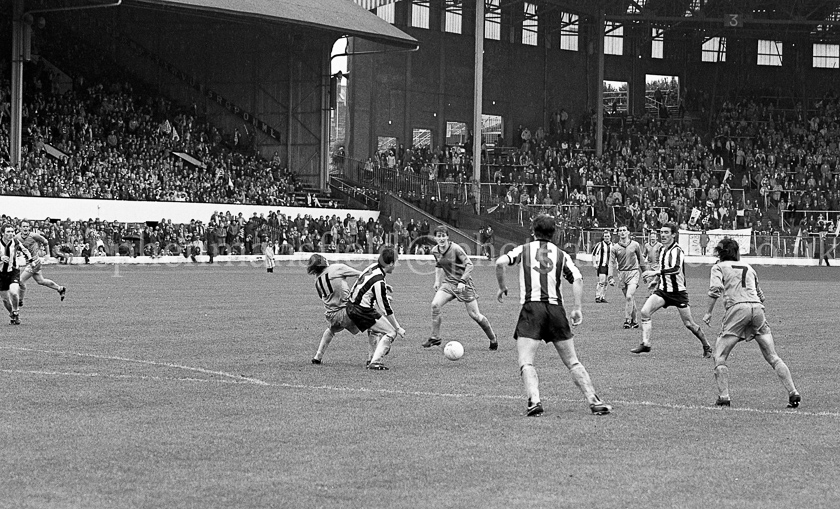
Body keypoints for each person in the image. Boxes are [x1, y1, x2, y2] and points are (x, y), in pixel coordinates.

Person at [495, 214, 612, 417]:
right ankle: (594, 400)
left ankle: (534, 401)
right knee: (572, 361)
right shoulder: (561, 254)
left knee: (526, 361)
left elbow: (500, 262)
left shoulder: (524, 250)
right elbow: (577, 278)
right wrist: (577, 307)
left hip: (532, 309)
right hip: (556, 310)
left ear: (533, 231)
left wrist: (503, 286)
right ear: (554, 233)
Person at [702, 238, 801, 408]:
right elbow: (761, 296)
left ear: (721, 252)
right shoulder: (749, 267)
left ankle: (724, 397)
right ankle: (793, 392)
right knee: (772, 356)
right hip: (757, 309)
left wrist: (708, 312)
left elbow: (715, 289)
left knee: (719, 356)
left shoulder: (718, 267)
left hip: (737, 310)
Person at [634, 223, 712, 357]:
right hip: (663, 291)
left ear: (673, 235)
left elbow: (675, 269)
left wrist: (654, 273)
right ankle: (645, 343)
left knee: (689, 324)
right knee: (645, 312)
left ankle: (707, 346)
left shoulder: (677, 251)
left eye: (666, 232)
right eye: (662, 232)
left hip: (678, 293)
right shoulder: (663, 250)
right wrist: (656, 281)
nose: (663, 235)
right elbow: (665, 269)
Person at [421, 225, 498, 350]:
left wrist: (462, 281)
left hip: (464, 284)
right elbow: (439, 265)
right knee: (435, 305)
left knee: (475, 315)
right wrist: (437, 281)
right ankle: (435, 337)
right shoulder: (435, 250)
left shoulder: (456, 248)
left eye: (443, 236)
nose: (441, 238)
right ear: (435, 238)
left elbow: (469, 265)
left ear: (447, 236)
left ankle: (493, 338)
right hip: (448, 283)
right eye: (438, 236)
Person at [307, 254, 375, 365]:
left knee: (331, 330)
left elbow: (322, 296)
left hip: (331, 315)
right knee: (373, 325)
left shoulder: (317, 281)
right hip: (346, 312)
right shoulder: (337, 268)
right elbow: (362, 275)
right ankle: (372, 359)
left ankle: (317, 356)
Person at [346, 247, 406, 370]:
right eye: (395, 262)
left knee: (374, 329)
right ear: (390, 264)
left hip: (351, 305)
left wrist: (384, 289)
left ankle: (371, 358)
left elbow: (361, 282)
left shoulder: (373, 267)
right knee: (391, 332)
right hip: (361, 311)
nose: (396, 265)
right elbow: (385, 308)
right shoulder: (379, 281)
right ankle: (375, 361)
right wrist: (398, 328)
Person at [16, 220, 67, 306]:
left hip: (35, 262)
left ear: (29, 228)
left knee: (21, 281)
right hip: (29, 262)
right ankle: (60, 288)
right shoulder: (16, 237)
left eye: (27, 226)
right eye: (23, 226)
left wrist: (47, 254)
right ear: (20, 228)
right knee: (41, 281)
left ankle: (20, 300)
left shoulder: (34, 236)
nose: (25, 228)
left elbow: (45, 242)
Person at [609, 225, 646, 329]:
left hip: (633, 273)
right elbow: (611, 263)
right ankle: (635, 321)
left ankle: (627, 320)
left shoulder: (635, 245)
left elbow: (641, 260)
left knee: (629, 296)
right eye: (620, 231)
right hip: (622, 274)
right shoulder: (615, 248)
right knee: (630, 299)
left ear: (628, 232)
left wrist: (645, 273)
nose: (622, 232)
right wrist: (610, 277)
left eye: (624, 230)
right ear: (618, 233)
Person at [0, 224, 33, 325]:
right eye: (8, 232)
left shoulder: (15, 242)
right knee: (5, 300)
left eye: (12, 232)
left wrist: (31, 260)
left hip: (13, 271)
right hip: (1, 274)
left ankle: (16, 311)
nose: (11, 234)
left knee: (14, 292)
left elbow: (25, 250)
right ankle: (13, 314)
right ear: (2, 233)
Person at [591, 230, 613, 303]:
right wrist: (594, 263)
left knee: (606, 282)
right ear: (603, 237)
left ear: (610, 237)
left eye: (608, 236)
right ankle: (597, 296)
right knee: (602, 281)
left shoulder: (613, 245)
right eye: (605, 236)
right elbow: (594, 254)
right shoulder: (600, 244)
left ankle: (602, 297)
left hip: (609, 266)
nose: (607, 237)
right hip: (602, 265)